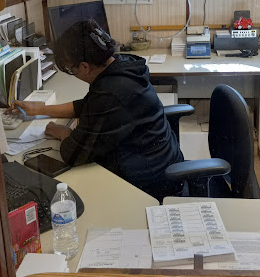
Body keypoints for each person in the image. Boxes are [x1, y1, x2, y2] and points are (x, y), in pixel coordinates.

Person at [10, 20, 184, 201]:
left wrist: (62, 132)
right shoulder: (121, 66)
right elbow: (88, 105)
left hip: (150, 182)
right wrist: (40, 109)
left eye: (72, 69)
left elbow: (74, 154)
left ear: (85, 66)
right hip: (160, 159)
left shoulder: (110, 92)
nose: (74, 75)